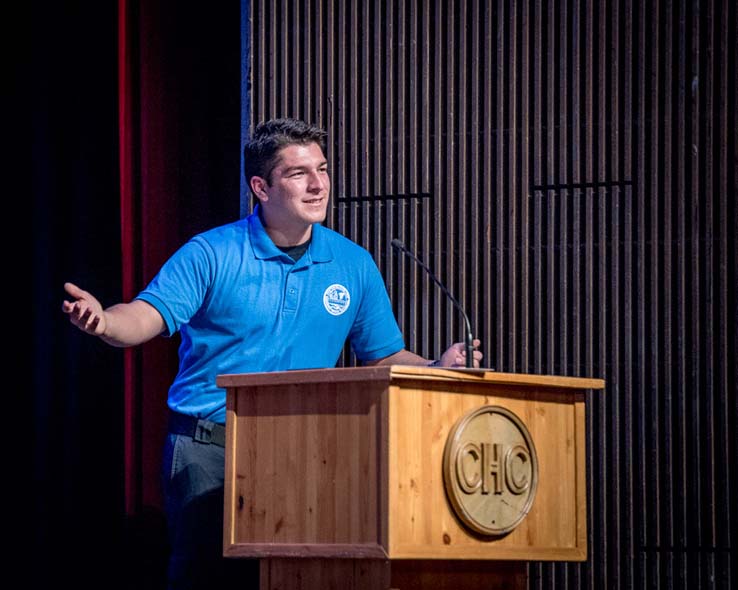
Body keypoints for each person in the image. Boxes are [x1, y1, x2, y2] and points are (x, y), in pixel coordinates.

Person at [62, 117, 482, 590]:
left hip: (306, 452)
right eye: (299, 173)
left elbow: (381, 356)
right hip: (210, 448)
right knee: (207, 579)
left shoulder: (352, 262)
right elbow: (143, 316)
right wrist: (104, 323)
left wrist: (434, 368)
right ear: (260, 186)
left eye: (322, 169)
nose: (319, 184)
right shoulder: (212, 253)